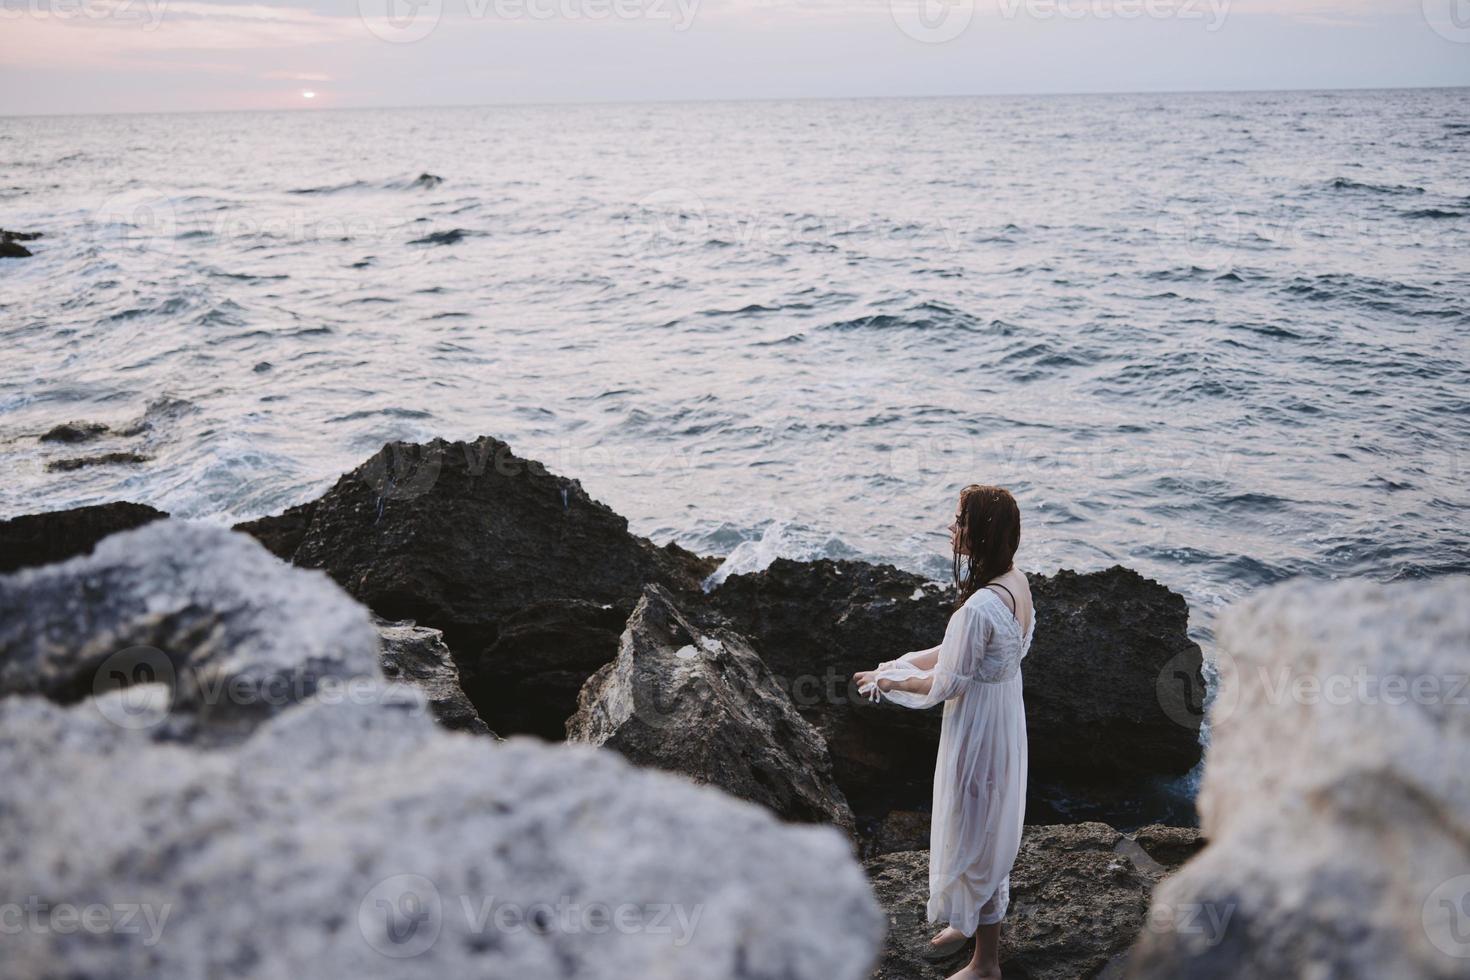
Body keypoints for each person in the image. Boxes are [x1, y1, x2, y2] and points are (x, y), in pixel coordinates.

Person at [854, 484, 1034, 980]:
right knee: (983, 823)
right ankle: (967, 919)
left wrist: (889, 682)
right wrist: (899, 662)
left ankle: (986, 963)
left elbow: (944, 683)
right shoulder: (1015, 582)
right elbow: (955, 651)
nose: (951, 527)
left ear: (982, 533)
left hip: (977, 730)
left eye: (959, 520)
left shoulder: (978, 607)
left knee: (977, 832)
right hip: (1002, 720)